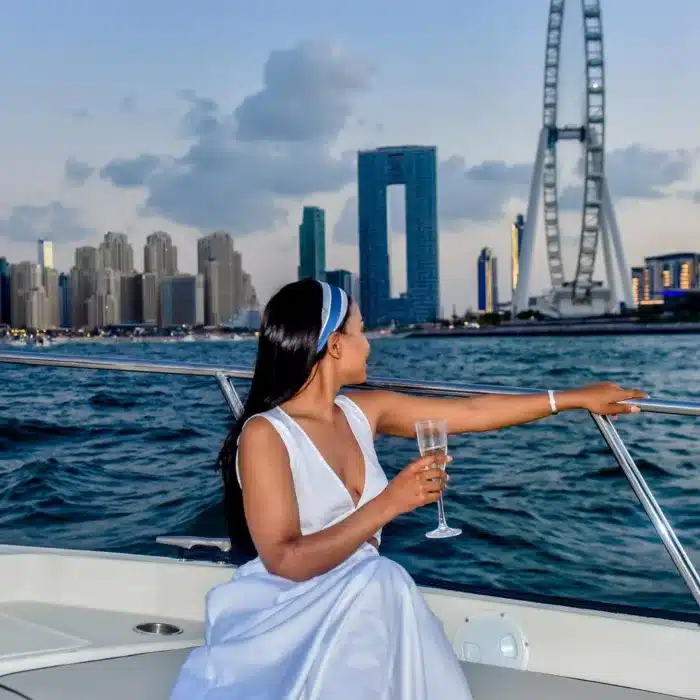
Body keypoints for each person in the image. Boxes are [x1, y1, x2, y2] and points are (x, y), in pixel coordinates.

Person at [170, 279, 647, 700]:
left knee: (381, 582)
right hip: (292, 606)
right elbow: (286, 560)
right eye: (359, 330)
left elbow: (474, 413)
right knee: (385, 580)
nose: (369, 343)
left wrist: (572, 399)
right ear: (334, 345)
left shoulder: (363, 412)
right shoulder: (265, 434)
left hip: (361, 599)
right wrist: (390, 503)